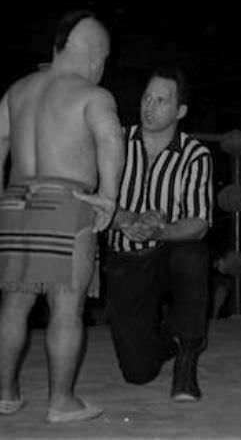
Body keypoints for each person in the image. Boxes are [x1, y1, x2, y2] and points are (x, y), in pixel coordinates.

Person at [0, 10, 123, 422]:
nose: (103, 66)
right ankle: (61, 401)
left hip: (15, 200)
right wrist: (110, 196)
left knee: (15, 304)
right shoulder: (92, 95)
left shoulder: (20, 89)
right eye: (105, 57)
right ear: (94, 53)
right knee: (66, 308)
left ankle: (6, 395)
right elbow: (110, 140)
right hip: (65, 200)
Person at [77, 66, 213, 402]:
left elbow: (198, 222)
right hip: (126, 259)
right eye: (146, 98)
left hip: (168, 253)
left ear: (180, 111)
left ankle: (187, 359)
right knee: (137, 373)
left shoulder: (196, 155)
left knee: (192, 255)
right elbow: (88, 197)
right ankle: (174, 336)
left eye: (161, 101)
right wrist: (124, 220)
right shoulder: (116, 141)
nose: (149, 107)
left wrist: (159, 230)